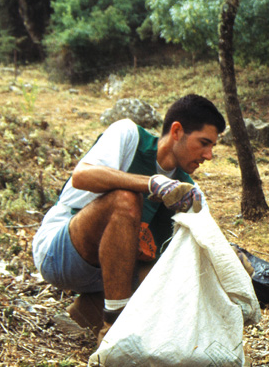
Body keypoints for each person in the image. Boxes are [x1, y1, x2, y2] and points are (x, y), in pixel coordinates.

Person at [32, 94, 227, 337]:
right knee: (126, 200)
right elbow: (81, 176)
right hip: (60, 255)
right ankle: (113, 330)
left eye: (212, 147)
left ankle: (87, 311)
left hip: (108, 275)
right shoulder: (129, 136)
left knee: (188, 259)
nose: (208, 155)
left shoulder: (187, 189)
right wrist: (152, 184)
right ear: (177, 131)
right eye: (204, 143)